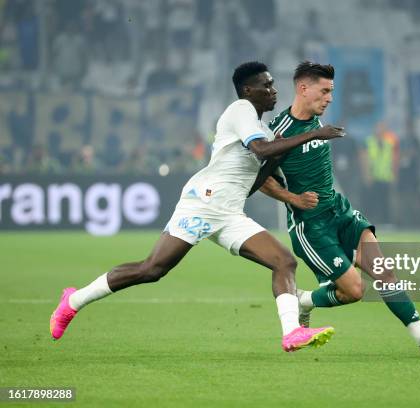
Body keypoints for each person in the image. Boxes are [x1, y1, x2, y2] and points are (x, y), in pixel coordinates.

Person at [49, 61, 345, 352]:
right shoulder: (240, 110)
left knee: (284, 261)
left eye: (273, 84)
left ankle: (292, 333)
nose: (273, 90)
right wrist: (312, 134)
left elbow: (254, 182)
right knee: (152, 269)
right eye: (266, 85)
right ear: (248, 90)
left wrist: (277, 160)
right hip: (204, 203)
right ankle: (73, 301)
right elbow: (260, 150)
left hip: (230, 212)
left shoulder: (263, 129)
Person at [257, 61, 420, 357]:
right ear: (302, 88)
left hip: (340, 212)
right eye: (324, 91)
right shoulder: (278, 132)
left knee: (383, 271)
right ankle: (303, 301)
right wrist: (294, 199)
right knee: (354, 291)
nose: (329, 98)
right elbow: (261, 181)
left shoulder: (318, 123)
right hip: (311, 225)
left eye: (332, 92)